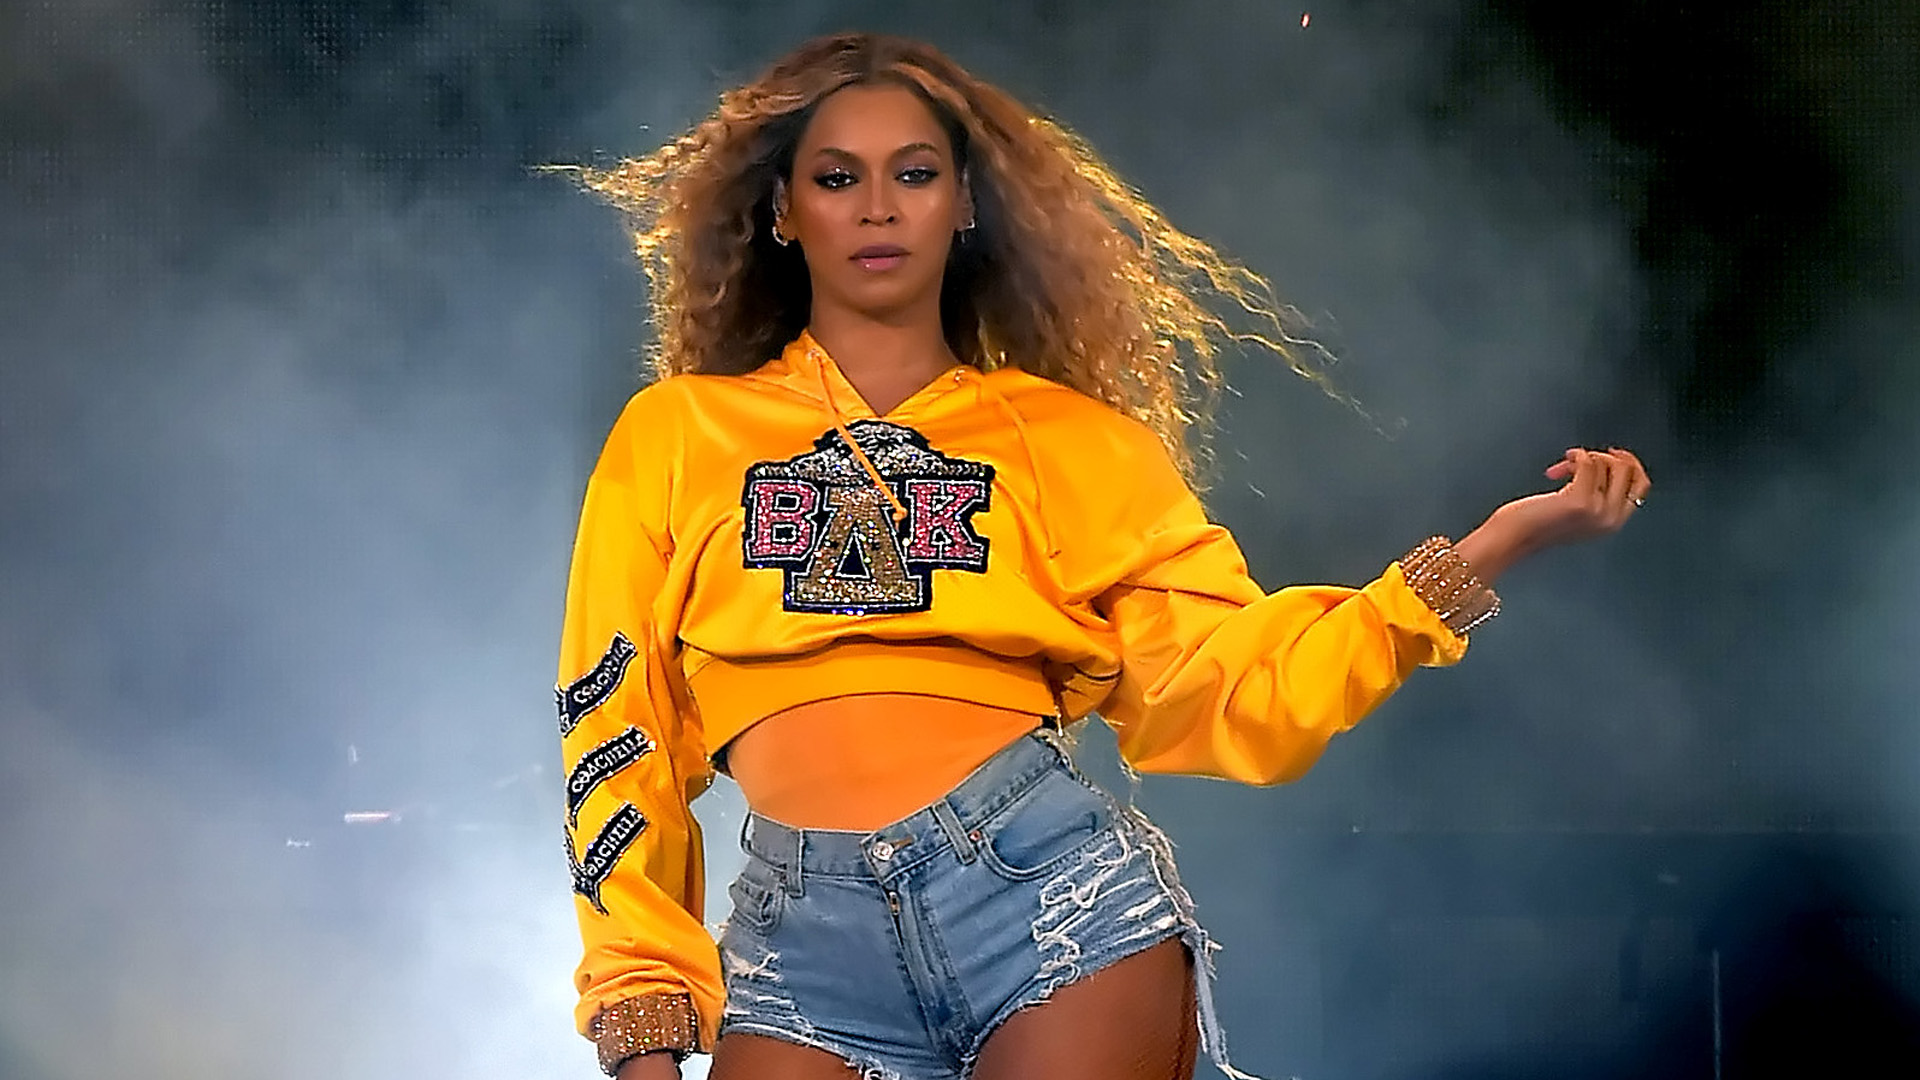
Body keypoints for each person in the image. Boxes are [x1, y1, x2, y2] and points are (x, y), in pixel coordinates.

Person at [554, 31, 1650, 1080]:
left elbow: (1227, 688)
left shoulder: (1076, 442)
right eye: (837, 177)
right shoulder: (676, 435)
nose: (879, 205)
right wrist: (643, 1022)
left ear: (966, 204)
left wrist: (1491, 550)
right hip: (797, 939)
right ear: (784, 210)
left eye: (917, 173)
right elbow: (615, 728)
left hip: (1044, 897)